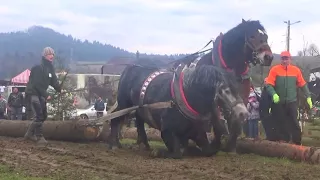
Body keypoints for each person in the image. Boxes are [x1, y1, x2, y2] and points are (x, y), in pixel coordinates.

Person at [264, 51, 312, 145]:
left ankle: (297, 142)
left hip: (292, 101)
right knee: (280, 122)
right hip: (279, 102)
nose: (285, 60)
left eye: (286, 58)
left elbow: (302, 84)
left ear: (290, 59)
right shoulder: (275, 70)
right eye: (283, 58)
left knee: (294, 122)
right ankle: (283, 143)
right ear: (280, 59)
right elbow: (269, 85)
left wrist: (308, 96)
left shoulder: (296, 70)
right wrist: (274, 94)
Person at [23, 47, 61, 145]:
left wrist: (60, 89)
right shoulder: (38, 68)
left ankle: (29, 134)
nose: (51, 56)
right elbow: (37, 84)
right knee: (39, 115)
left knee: (43, 116)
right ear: (44, 56)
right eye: (49, 54)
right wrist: (46, 94)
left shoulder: (50, 68)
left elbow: (54, 81)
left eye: (52, 54)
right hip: (33, 93)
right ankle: (39, 137)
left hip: (41, 94)